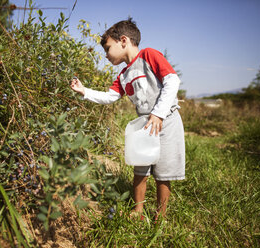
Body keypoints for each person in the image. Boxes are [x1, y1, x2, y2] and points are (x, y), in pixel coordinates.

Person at [70, 18, 185, 221]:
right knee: (140, 169)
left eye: (107, 48)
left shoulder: (148, 55)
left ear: (123, 40)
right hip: (144, 125)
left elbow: (172, 80)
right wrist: (84, 91)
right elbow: (109, 97)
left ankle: (161, 216)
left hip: (165, 120)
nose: (106, 55)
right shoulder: (123, 75)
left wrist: (158, 113)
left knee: (163, 174)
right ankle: (138, 211)